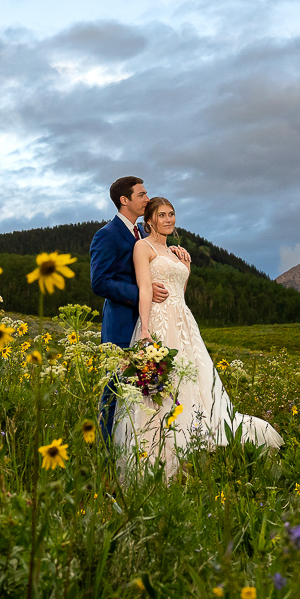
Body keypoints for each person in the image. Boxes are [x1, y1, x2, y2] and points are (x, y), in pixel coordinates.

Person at [113, 196, 282, 477]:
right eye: (162, 215)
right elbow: (145, 289)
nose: (169, 219)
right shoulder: (142, 247)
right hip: (159, 322)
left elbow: (179, 292)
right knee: (160, 392)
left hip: (185, 324)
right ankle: (157, 459)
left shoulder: (175, 253)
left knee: (196, 384)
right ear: (150, 220)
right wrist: (144, 331)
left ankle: (196, 449)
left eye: (172, 214)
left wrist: (185, 269)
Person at [90, 177, 182, 441]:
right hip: (121, 323)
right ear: (124, 200)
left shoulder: (142, 234)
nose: (147, 199)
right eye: (141, 195)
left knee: (147, 390)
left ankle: (143, 445)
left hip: (151, 323)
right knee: (115, 389)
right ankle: (106, 453)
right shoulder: (106, 235)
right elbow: (100, 282)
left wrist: (169, 252)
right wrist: (144, 293)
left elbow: (153, 255)